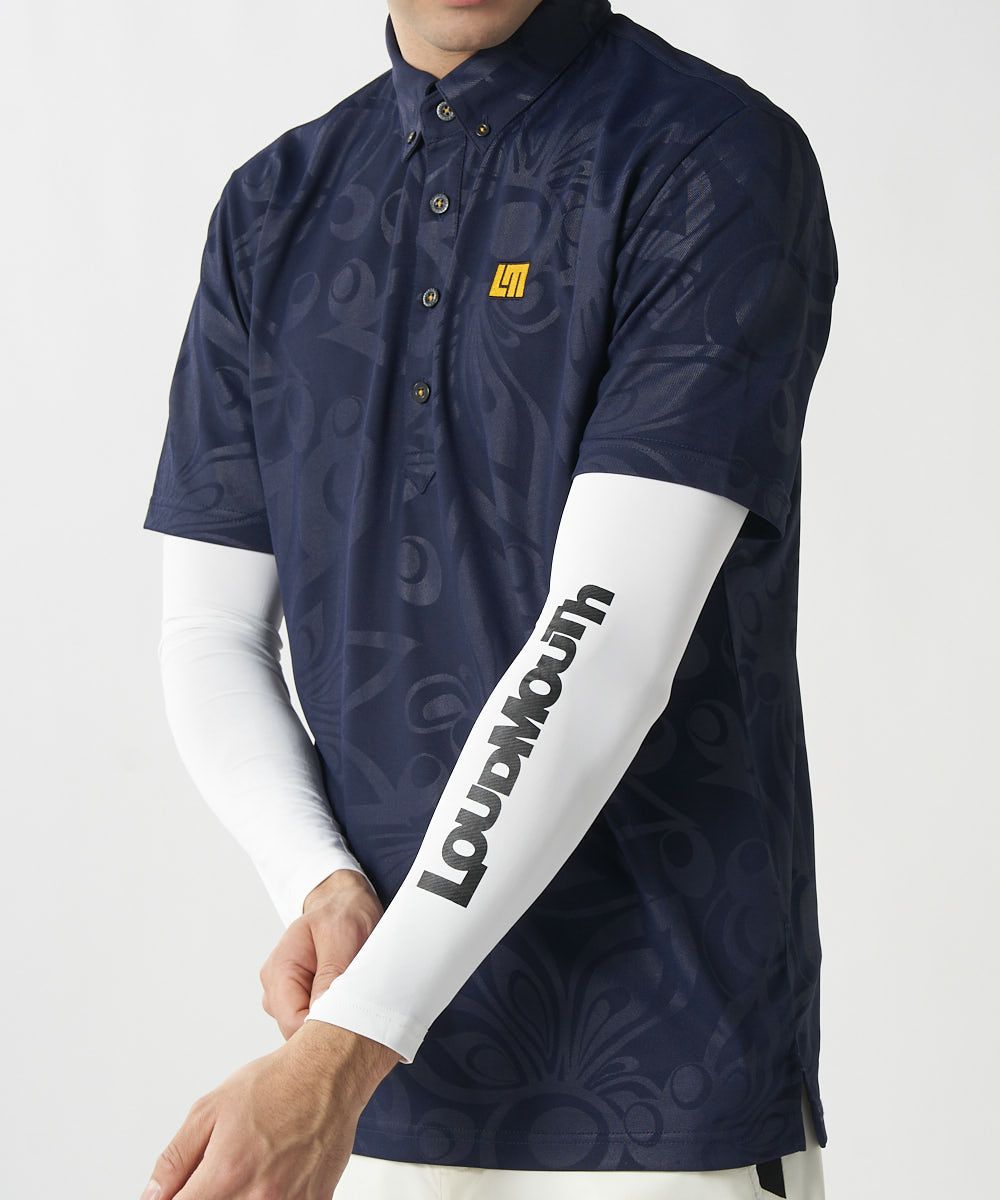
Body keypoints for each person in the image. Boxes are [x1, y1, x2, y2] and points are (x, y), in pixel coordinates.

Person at [138, 1, 838, 1197]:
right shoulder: (272, 207)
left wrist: (348, 1043)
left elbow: (608, 636)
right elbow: (210, 628)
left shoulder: (706, 152)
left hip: (662, 1083)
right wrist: (320, 885)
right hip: (360, 1094)